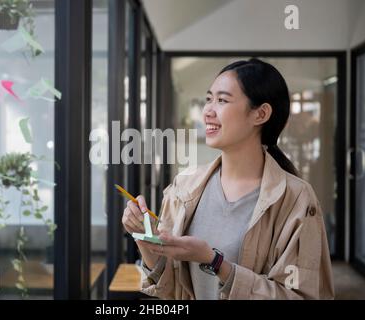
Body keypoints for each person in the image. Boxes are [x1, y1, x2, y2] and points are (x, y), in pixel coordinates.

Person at [122, 58, 334, 300]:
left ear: (261, 114)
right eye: (209, 99)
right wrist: (144, 237)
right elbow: (169, 287)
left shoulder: (297, 198)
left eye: (222, 100)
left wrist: (215, 262)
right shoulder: (185, 185)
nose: (208, 111)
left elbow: (301, 296)